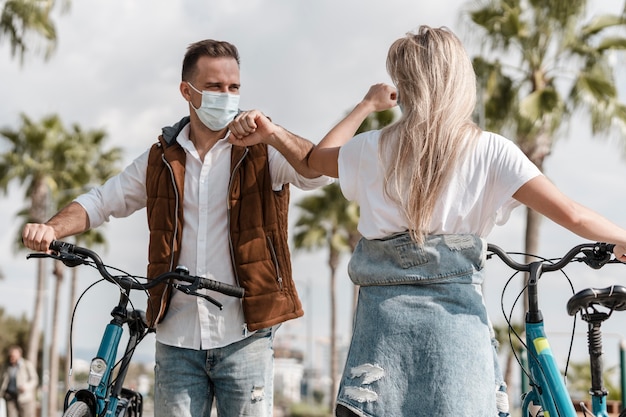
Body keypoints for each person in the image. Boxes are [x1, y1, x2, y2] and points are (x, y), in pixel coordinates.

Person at [302, 26, 626, 416]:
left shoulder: (370, 148)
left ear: (404, 86)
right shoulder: (490, 150)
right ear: (460, 80)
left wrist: (367, 105)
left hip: (383, 327)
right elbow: (572, 214)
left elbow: (316, 159)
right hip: (455, 328)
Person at [22, 39, 331, 417]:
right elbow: (102, 201)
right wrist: (52, 229)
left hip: (245, 335)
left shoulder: (260, 151)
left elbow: (317, 172)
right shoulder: (161, 159)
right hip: (176, 339)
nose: (227, 96)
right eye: (215, 87)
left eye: (234, 88)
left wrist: (272, 132)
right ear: (188, 91)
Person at [0, 346, 38, 417]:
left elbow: (34, 379)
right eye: (10, 356)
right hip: (10, 397)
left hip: (24, 398)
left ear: (19, 355)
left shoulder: (26, 365)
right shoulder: (6, 366)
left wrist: (26, 386)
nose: (11, 357)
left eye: (13, 356)